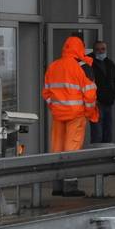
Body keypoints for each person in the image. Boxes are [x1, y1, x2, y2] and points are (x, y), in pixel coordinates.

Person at [43, 36, 99, 194]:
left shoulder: (53, 66)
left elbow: (46, 93)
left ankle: (57, 186)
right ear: (80, 48)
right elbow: (90, 94)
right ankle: (70, 186)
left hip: (58, 114)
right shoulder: (83, 67)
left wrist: (55, 107)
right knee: (72, 148)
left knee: (57, 148)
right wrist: (90, 112)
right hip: (76, 114)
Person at [90, 40, 115, 143]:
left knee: (108, 132)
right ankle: (97, 153)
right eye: (98, 49)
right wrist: (94, 99)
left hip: (108, 102)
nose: (101, 51)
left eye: (103, 49)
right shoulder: (90, 64)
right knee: (97, 133)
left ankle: (107, 152)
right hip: (96, 103)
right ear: (94, 50)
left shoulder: (110, 64)